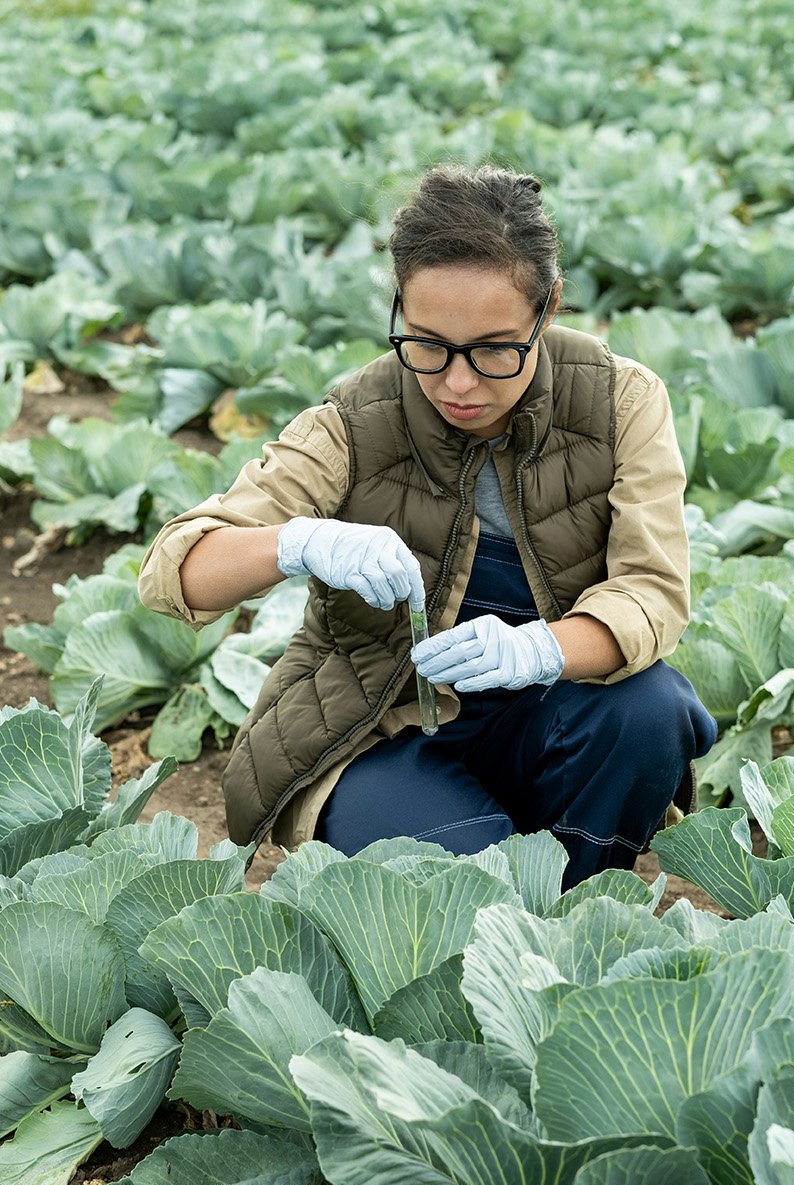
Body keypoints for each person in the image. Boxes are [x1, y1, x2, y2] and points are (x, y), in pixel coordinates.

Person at [138, 165, 717, 889]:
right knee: (467, 892)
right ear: (400, 311)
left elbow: (651, 592)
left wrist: (541, 649)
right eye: (428, 345)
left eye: (495, 348)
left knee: (648, 707)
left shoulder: (619, 401)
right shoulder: (354, 421)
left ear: (550, 307)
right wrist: (298, 543)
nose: (459, 383)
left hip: (549, 710)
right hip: (379, 730)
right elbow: (175, 571)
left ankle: (578, 904)